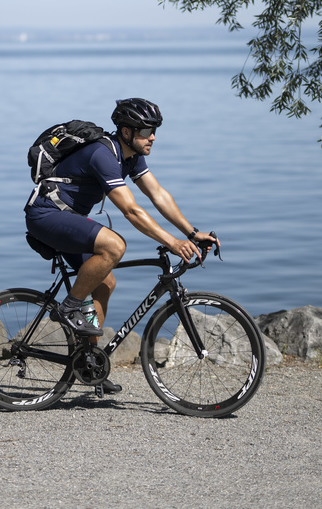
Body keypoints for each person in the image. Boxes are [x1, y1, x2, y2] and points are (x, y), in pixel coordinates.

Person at [24, 97, 217, 394]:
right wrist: (172, 242)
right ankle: (68, 308)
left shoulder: (131, 157)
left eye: (154, 131)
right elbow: (131, 211)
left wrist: (191, 233)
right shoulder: (102, 154)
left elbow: (158, 195)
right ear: (126, 132)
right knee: (114, 246)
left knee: (106, 282)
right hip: (46, 215)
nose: (152, 137)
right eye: (146, 131)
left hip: (69, 219)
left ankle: (88, 364)